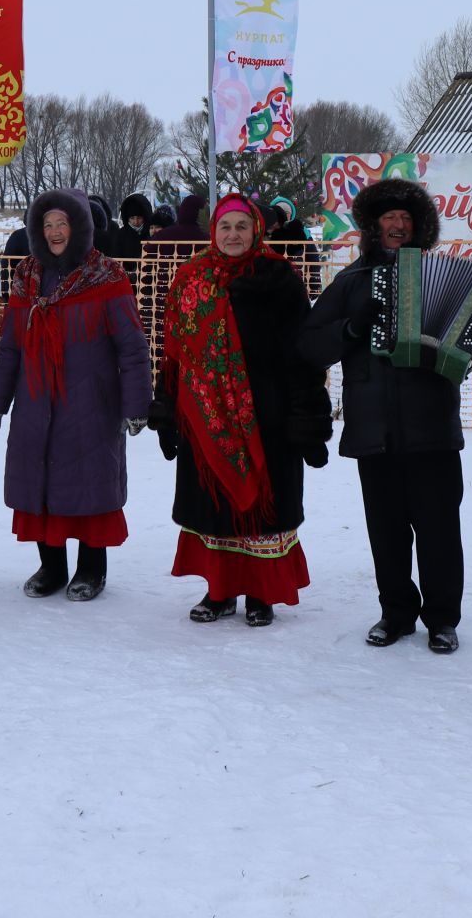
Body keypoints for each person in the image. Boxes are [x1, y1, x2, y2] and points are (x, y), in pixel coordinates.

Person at [299, 177, 472, 654]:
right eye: (389, 218)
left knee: (440, 529)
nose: (398, 225)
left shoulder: (442, 273)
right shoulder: (352, 280)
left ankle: (442, 619)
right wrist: (353, 327)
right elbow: (309, 344)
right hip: (372, 426)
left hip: (432, 425)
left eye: (406, 218)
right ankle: (395, 613)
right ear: (373, 227)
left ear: (418, 227)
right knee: (387, 530)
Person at [151, 194, 331, 625]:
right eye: (225, 227)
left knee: (259, 506)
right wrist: (166, 407)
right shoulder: (190, 278)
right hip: (203, 414)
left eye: (241, 227)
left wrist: (307, 415)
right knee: (215, 507)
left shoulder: (278, 277)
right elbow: (174, 353)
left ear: (256, 231)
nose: (233, 235)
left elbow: (301, 353)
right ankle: (219, 590)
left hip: (266, 412)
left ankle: (260, 593)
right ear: (213, 232)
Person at [0, 188, 150, 601]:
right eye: (47, 224)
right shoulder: (26, 276)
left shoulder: (106, 274)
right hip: (36, 400)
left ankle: (92, 568)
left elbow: (131, 345)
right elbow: (11, 347)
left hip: (91, 400)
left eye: (63, 223)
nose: (55, 231)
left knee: (90, 484)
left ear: (80, 228)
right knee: (40, 483)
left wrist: (137, 403)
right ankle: (51, 566)